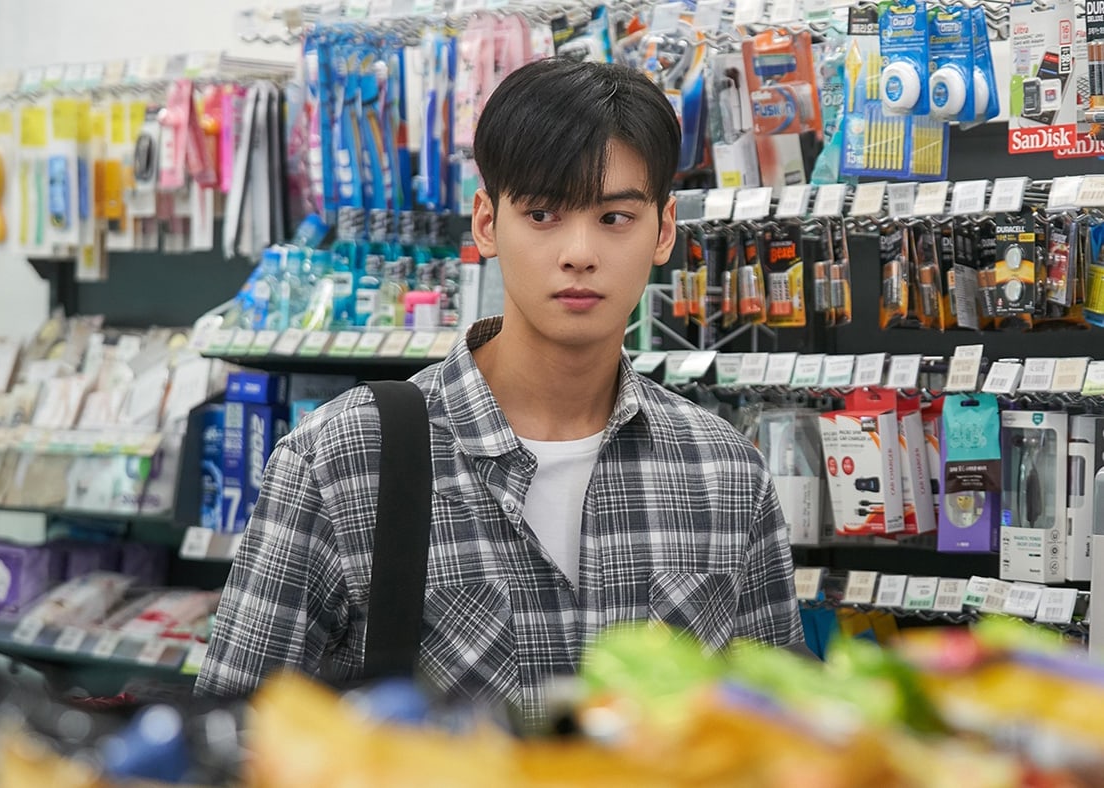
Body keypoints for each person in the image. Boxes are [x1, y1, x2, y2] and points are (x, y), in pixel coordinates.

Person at [196, 58, 804, 723]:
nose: (579, 252)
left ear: (662, 232)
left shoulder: (724, 471)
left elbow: (782, 734)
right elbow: (230, 735)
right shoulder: (342, 458)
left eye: (614, 217)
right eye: (542, 213)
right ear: (486, 223)